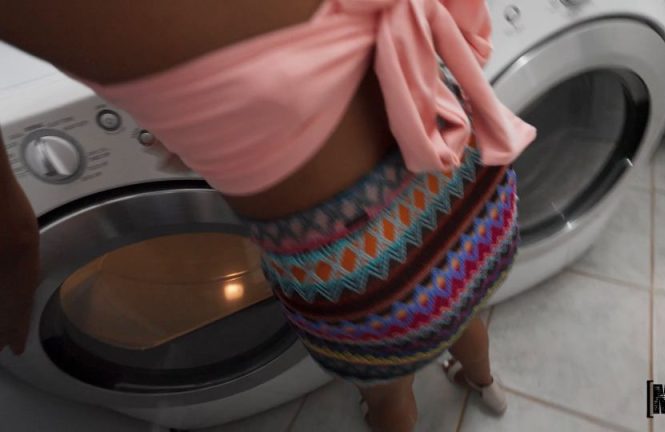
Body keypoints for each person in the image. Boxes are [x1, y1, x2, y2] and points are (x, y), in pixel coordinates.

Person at [0, 1, 535, 431]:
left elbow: (16, 237)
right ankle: (485, 384)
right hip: (464, 175)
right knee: (466, 314)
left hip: (363, 273)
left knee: (390, 400)